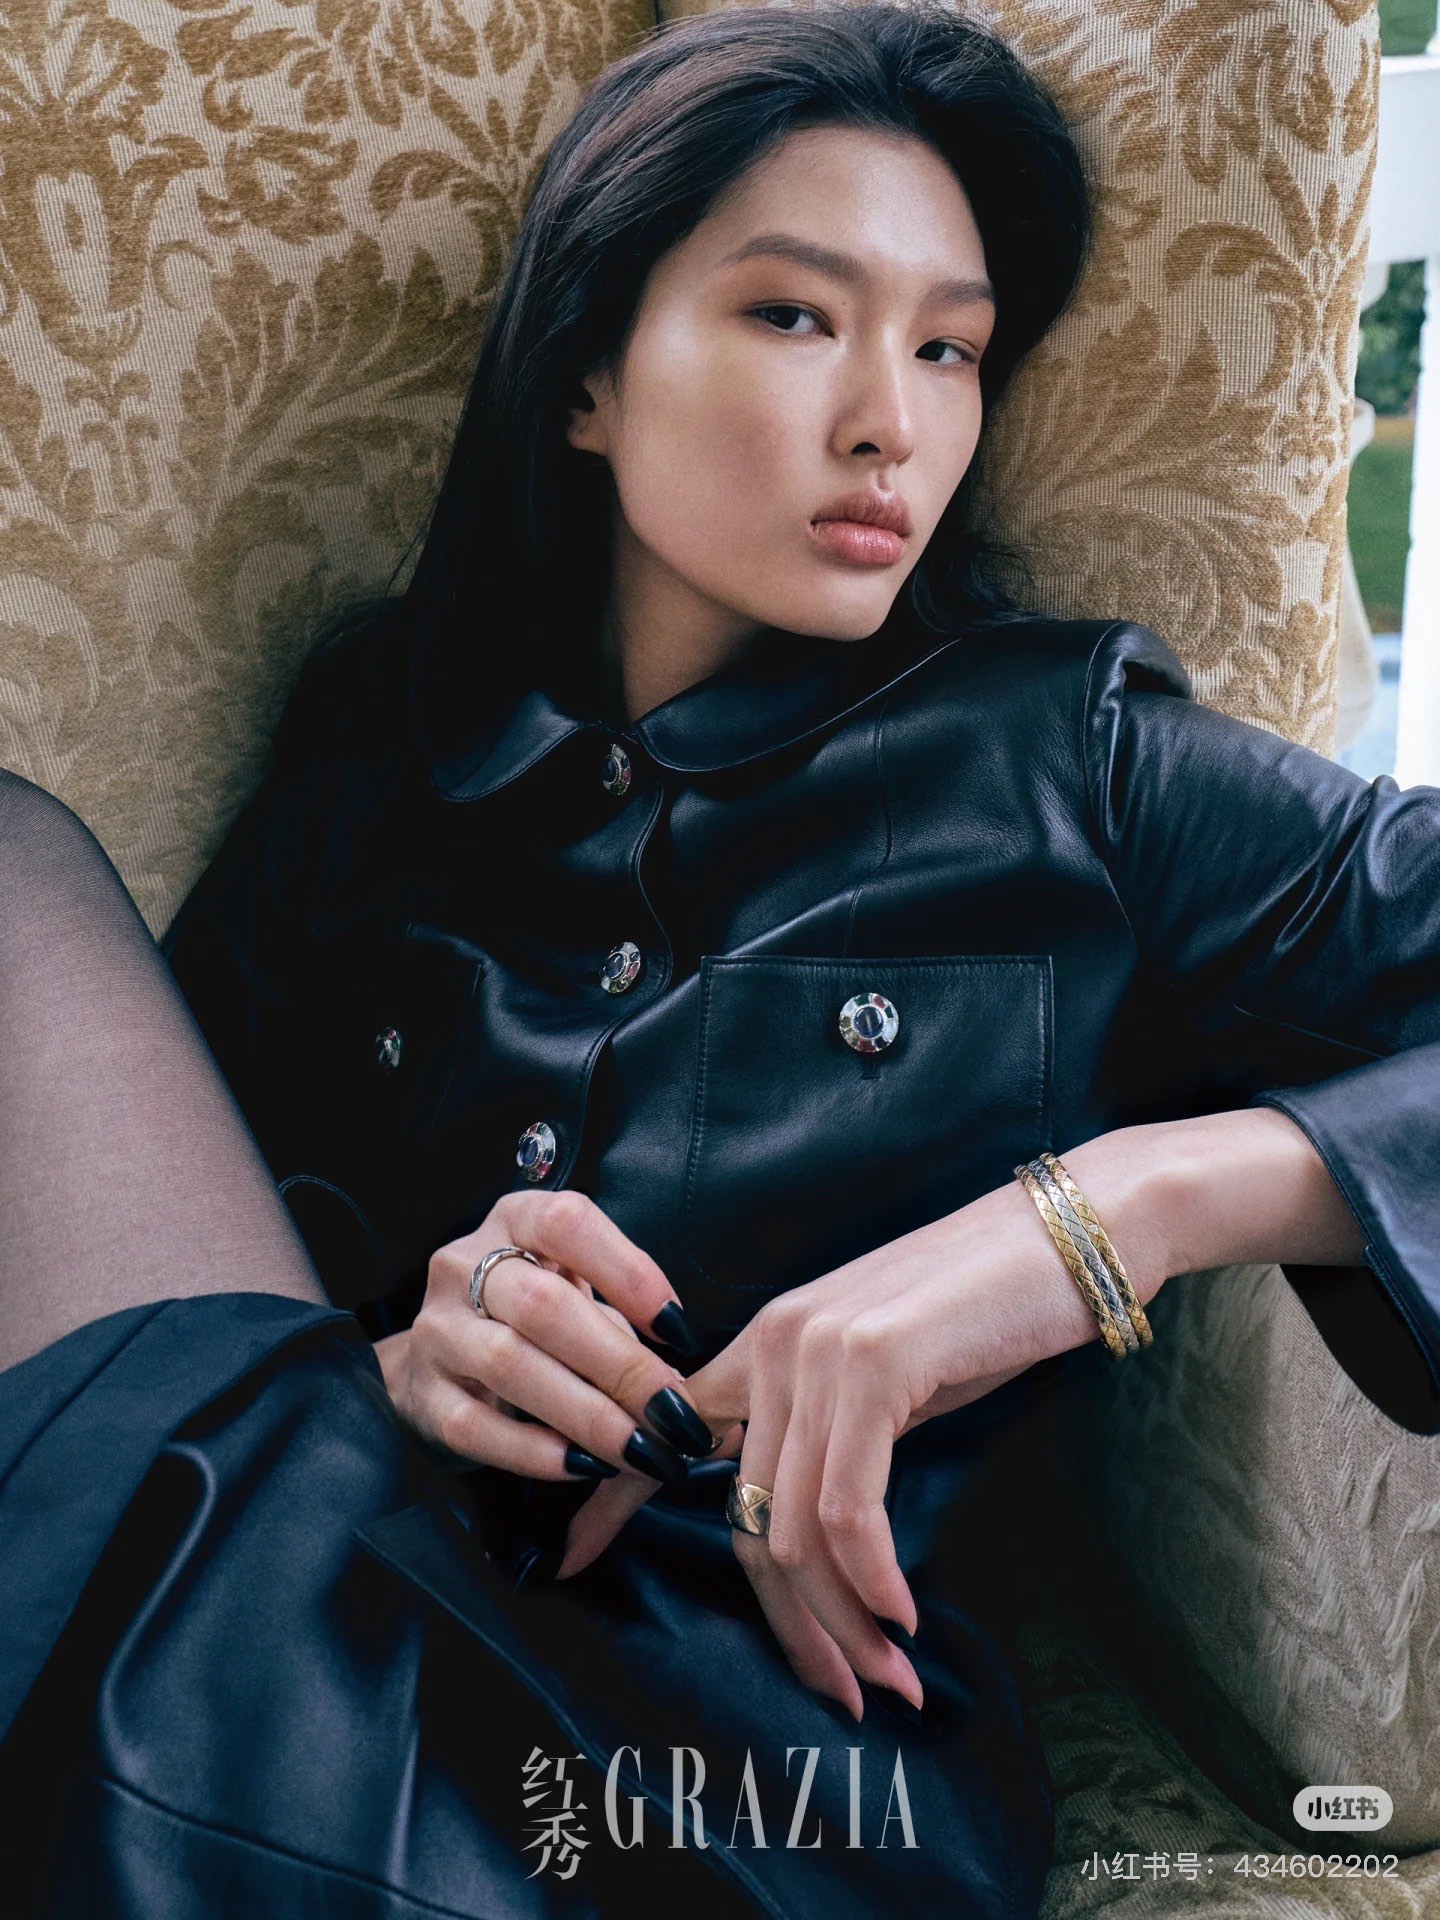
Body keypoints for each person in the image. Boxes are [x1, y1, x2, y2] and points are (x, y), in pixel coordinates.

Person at [2, 4, 1437, 1915]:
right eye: (794, 315)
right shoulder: (382, 748)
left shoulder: (1075, 763)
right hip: (285, 1630)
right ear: (587, 377)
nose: (890, 419)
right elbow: (158, 1330)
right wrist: (399, 1356)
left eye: (950, 347)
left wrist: (1110, 1211)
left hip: (740, 1790)